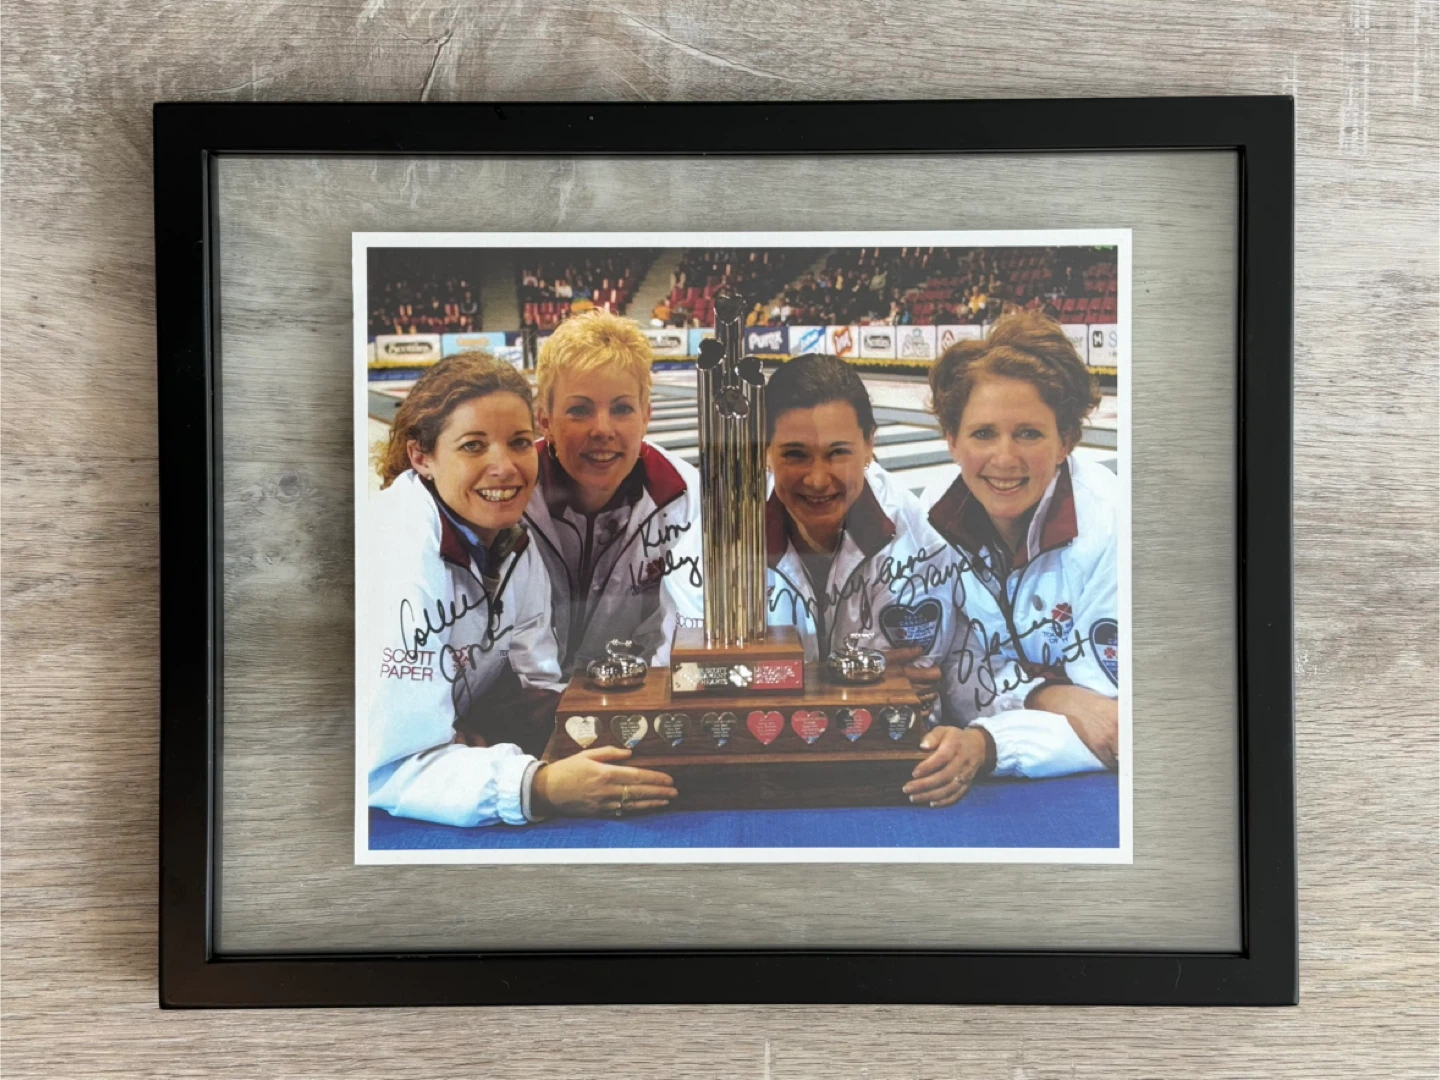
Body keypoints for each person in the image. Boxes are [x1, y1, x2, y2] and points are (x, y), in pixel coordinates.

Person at [365, 352, 676, 827]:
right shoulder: (398, 551)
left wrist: (623, 728)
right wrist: (539, 786)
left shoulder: (512, 544)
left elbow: (533, 682)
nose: (504, 466)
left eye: (518, 443)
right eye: (473, 446)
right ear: (422, 457)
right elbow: (387, 766)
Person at [917, 311, 1120, 804]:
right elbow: (943, 675)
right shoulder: (931, 518)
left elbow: (1112, 725)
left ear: (1066, 441)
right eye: (983, 433)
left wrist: (990, 742)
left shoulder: (1111, 525)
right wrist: (1046, 693)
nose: (1005, 458)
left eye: (1028, 433)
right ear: (952, 441)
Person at [762, 354, 962, 805]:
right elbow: (703, 683)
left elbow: (912, 701)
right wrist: (859, 676)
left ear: (870, 444)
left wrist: (779, 674)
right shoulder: (723, 534)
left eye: (839, 452)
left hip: (882, 778)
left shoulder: (918, 539)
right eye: (795, 454)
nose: (818, 479)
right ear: (765, 450)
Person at [525, 310, 704, 678]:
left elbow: (679, 642)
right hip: (528, 705)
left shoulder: (682, 496)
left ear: (646, 417)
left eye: (622, 409)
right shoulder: (515, 495)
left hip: (637, 700)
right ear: (545, 421)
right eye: (579, 410)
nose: (603, 430)